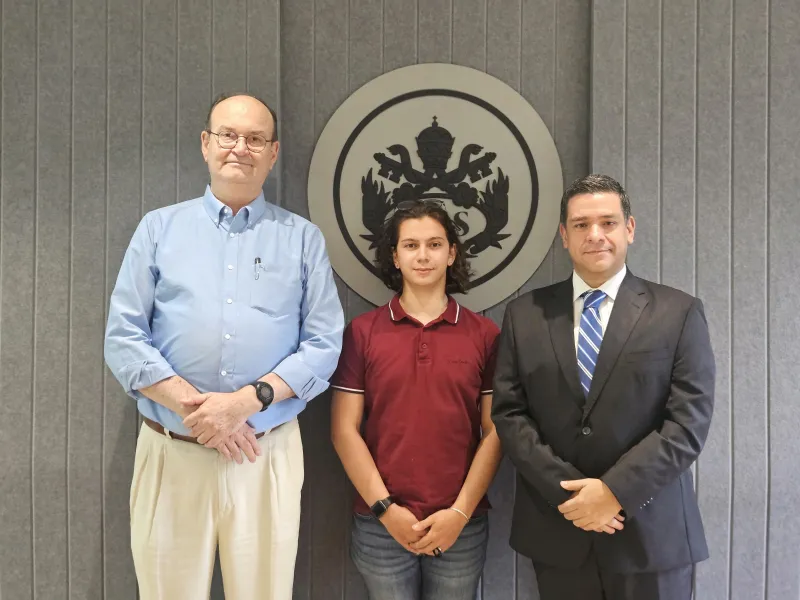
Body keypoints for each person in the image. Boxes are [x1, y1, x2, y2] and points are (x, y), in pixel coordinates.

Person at [104, 92, 344, 600]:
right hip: (171, 450)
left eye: (256, 138)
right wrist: (201, 413)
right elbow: (124, 337)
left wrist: (240, 405)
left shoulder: (302, 239)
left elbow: (323, 344)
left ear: (273, 152)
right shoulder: (158, 229)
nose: (241, 147)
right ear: (206, 144)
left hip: (265, 452)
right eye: (229, 135)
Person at [491, 174, 715, 600]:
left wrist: (615, 492)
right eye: (580, 225)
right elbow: (510, 413)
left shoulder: (679, 312)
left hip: (651, 536)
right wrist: (573, 496)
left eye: (608, 222)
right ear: (564, 235)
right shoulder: (524, 314)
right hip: (560, 530)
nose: (595, 235)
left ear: (629, 228)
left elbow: (687, 422)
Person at [330, 200, 503, 600]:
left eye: (434, 244)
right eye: (410, 245)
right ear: (394, 256)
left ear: (452, 252)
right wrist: (386, 510)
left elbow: (496, 432)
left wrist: (459, 513)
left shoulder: (484, 335)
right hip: (380, 524)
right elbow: (344, 430)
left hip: (460, 524)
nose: (423, 256)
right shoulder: (362, 333)